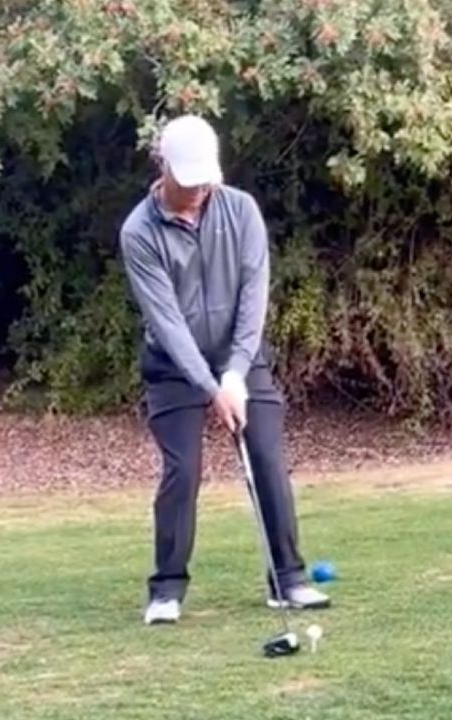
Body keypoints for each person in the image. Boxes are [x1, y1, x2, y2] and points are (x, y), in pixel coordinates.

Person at [116, 114, 330, 625]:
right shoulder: (139, 232)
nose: (196, 192)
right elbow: (166, 322)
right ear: (161, 166)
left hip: (242, 357)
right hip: (173, 368)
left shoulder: (242, 211)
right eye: (186, 181)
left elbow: (253, 299)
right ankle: (166, 589)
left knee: (266, 457)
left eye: (203, 180)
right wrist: (211, 388)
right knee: (183, 470)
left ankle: (289, 580)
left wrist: (234, 376)